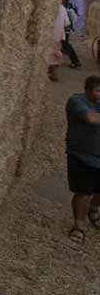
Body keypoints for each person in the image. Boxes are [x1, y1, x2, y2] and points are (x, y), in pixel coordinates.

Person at [66, 76, 100, 245]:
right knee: (84, 193)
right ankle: (79, 226)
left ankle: (93, 211)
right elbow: (91, 118)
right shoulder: (76, 101)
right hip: (82, 156)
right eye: (98, 90)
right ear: (87, 89)